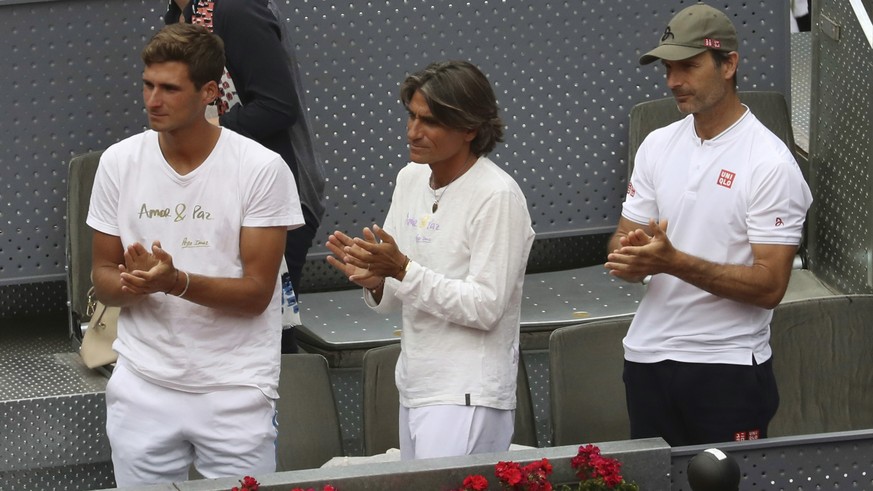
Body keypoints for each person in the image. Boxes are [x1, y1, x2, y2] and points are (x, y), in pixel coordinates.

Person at [87, 23, 302, 485]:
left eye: (169, 88)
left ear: (209, 92)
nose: (152, 101)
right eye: (147, 85)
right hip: (142, 385)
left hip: (235, 390)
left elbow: (257, 295)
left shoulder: (261, 169)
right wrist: (132, 285)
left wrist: (174, 282)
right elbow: (102, 274)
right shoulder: (117, 162)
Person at [605, 3, 813, 447]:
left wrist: (672, 261)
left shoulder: (770, 162)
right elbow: (622, 244)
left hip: (729, 367)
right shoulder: (656, 144)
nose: (673, 81)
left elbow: (770, 286)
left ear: (729, 64)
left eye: (688, 66)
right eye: (668, 68)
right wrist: (632, 254)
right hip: (645, 359)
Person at [326, 60, 535, 460]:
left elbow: (486, 306)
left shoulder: (498, 196)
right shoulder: (410, 178)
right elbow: (394, 295)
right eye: (411, 116)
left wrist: (401, 269)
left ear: (470, 128)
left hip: (469, 394)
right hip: (415, 385)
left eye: (430, 122)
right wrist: (375, 280)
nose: (412, 131)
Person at [165, 0, 326, 353]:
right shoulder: (182, 16)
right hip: (218, 197)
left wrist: (205, 128)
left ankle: (293, 408)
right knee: (224, 335)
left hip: (275, 197)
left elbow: (277, 106)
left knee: (266, 339)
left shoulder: (235, 10)